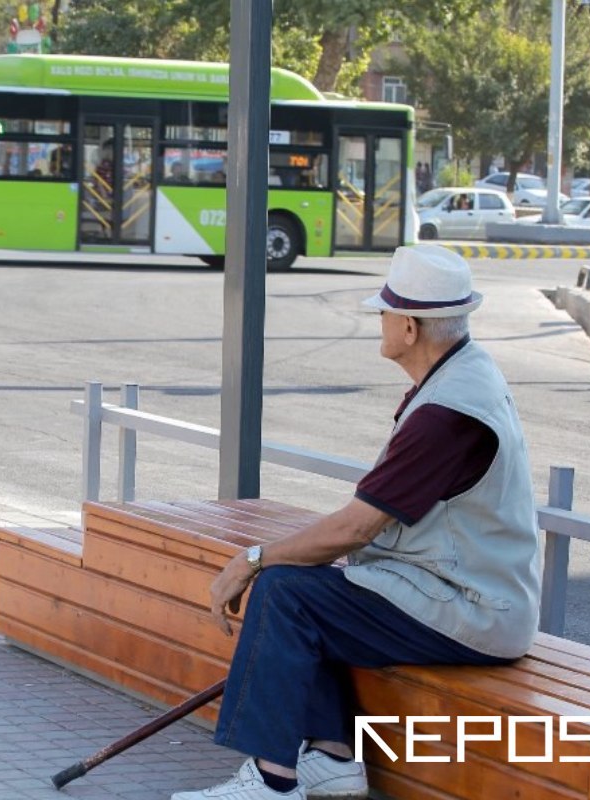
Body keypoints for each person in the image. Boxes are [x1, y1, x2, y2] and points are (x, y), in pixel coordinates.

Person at [172, 244, 540, 800]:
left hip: (473, 609)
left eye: (384, 313)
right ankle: (333, 757)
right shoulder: (465, 370)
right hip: (462, 592)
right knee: (307, 587)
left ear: (410, 327)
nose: (380, 324)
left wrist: (251, 559)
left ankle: (273, 781)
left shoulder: (447, 412)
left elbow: (354, 529)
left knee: (284, 591)